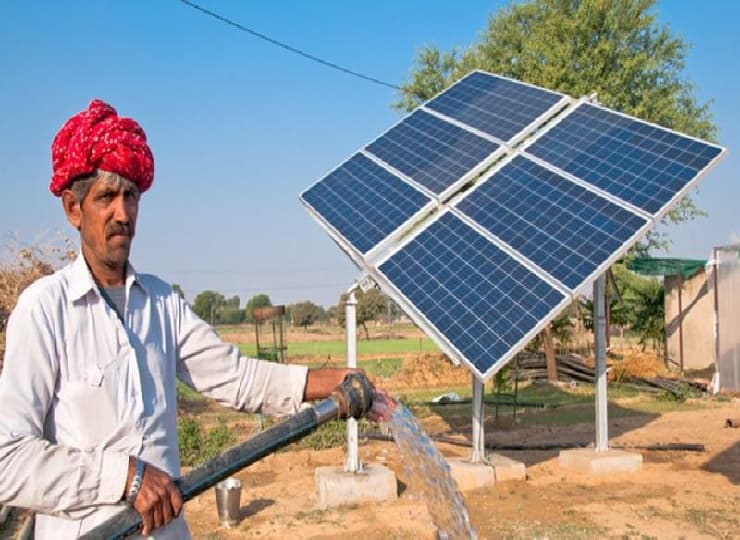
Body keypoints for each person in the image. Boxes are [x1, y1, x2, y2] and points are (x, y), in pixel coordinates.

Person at [0, 99, 364, 538]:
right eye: (106, 197)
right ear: (73, 210)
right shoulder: (44, 309)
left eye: (130, 196)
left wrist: (333, 380)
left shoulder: (160, 302)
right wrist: (124, 477)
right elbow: (9, 461)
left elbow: (235, 377)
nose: (122, 213)